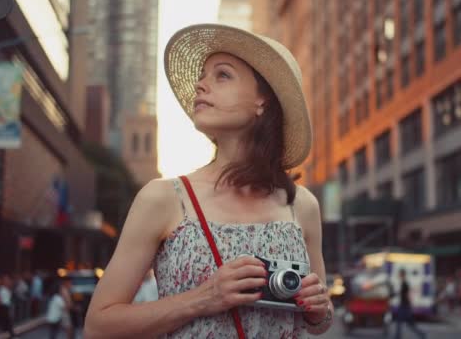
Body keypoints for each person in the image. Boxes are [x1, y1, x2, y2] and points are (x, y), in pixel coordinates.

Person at [84, 23, 332, 338]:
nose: (201, 85)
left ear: (263, 102)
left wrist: (320, 309)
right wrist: (204, 298)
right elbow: (98, 326)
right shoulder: (164, 198)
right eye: (202, 75)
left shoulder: (303, 205)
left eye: (222, 75)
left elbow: (321, 324)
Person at [393, 269, 426, 339]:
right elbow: (402, 293)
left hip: (405, 306)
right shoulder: (403, 283)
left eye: (400, 274)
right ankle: (421, 334)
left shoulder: (405, 283)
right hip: (404, 305)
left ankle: (397, 336)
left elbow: (407, 294)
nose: (399, 275)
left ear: (402, 275)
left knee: (402, 322)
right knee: (408, 323)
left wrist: (409, 303)